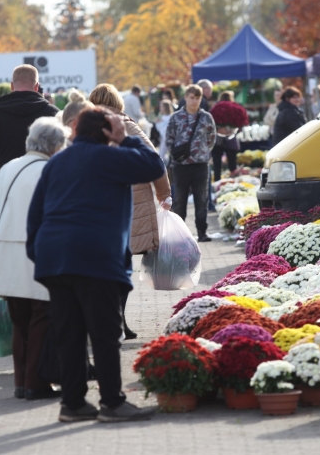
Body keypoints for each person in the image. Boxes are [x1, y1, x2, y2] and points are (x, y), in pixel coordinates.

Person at [27, 107, 166, 423]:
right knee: (105, 333)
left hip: (55, 259)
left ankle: (73, 403)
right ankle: (113, 403)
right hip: (94, 258)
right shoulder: (110, 158)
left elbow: (35, 215)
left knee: (70, 333)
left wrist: (41, 254)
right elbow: (154, 165)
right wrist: (125, 139)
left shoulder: (56, 162)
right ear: (107, 133)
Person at [0, 118, 66, 401]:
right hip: (38, 252)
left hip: (7, 252)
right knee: (41, 317)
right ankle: (35, 383)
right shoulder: (53, 169)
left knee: (19, 321)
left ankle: (21, 382)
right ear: (56, 145)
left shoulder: (9, 166)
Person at [89, 83, 171, 340]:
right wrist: (164, 194)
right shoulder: (127, 125)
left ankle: (99, 323)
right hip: (129, 206)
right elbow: (154, 160)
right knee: (121, 267)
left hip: (94, 207)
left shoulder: (85, 126)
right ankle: (118, 321)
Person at [0, 64, 59, 214]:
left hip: (8, 188)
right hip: (44, 189)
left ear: (11, 86)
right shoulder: (52, 113)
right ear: (36, 87)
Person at [166, 84, 217, 243]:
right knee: (179, 201)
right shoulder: (176, 118)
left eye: (197, 98)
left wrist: (201, 152)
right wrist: (178, 155)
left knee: (201, 200)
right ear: (185, 98)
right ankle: (180, 234)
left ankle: (202, 232)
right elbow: (169, 139)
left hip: (200, 165)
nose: (194, 101)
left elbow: (211, 139)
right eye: (191, 97)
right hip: (180, 166)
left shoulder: (206, 117)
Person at [209, 95, 247, 181]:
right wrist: (233, 130)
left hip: (217, 141)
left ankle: (217, 182)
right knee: (232, 165)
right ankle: (233, 182)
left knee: (217, 164)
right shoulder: (236, 108)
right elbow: (241, 124)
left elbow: (210, 123)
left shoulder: (215, 109)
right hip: (231, 141)